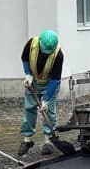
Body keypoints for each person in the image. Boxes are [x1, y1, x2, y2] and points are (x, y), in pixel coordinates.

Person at [20, 29, 64, 157]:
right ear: (40, 43)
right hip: (33, 81)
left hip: (50, 84)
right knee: (29, 108)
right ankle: (27, 140)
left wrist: (46, 100)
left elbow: (55, 79)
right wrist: (28, 74)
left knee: (48, 111)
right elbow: (25, 59)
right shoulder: (31, 44)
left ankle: (48, 140)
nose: (45, 54)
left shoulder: (58, 55)